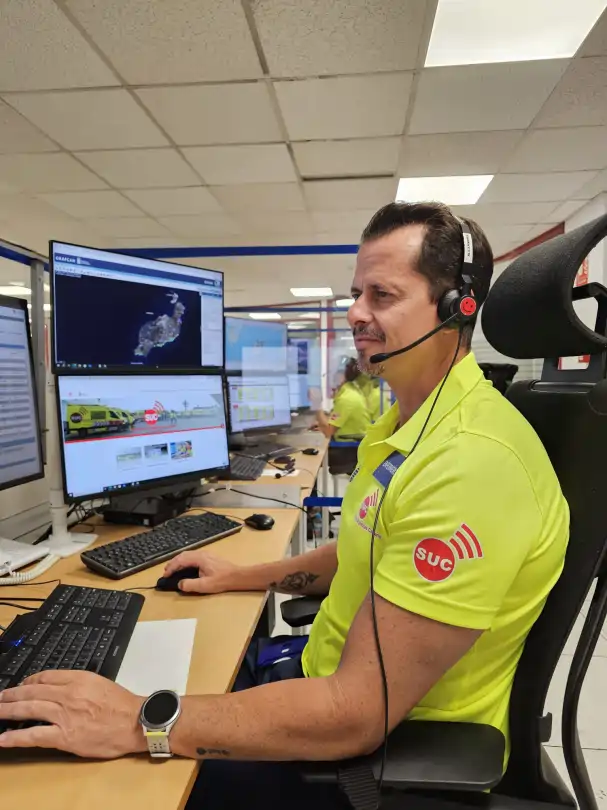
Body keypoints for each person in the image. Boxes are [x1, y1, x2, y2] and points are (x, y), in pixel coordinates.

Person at [0, 202, 569, 810]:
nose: (356, 312)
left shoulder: (471, 464)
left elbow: (356, 715)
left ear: (457, 308)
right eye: (356, 293)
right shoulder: (413, 424)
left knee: (85, 789)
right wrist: (242, 576)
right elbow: (367, 548)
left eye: (382, 295)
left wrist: (139, 722)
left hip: (371, 759)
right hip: (319, 677)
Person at [316, 357, 375, 441]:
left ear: (341, 376)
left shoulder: (347, 398)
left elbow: (328, 432)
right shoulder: (350, 390)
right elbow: (337, 419)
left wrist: (316, 404)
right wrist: (323, 424)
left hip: (348, 446)